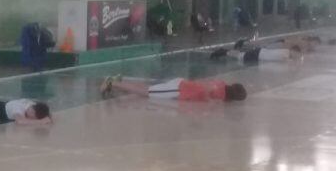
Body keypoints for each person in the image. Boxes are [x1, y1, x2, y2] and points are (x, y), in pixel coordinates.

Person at [100, 76, 247, 102]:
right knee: (146, 92)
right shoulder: (220, 93)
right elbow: (206, 91)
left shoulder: (221, 83)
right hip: (179, 90)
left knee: (147, 89)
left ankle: (119, 82)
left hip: (182, 84)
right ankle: (112, 83)